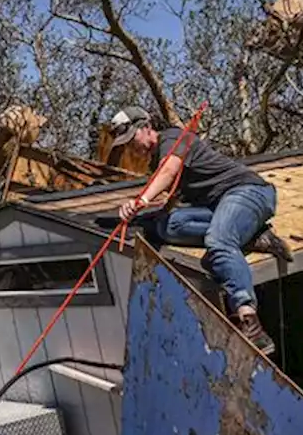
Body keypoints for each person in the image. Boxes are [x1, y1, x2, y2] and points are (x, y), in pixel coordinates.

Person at [108, 106, 291, 355]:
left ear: (146, 127)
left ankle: (249, 319)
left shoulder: (173, 138)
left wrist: (140, 200)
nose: (131, 147)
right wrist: (139, 219)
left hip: (248, 193)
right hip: (220, 207)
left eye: (132, 140)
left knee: (218, 239)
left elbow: (168, 171)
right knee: (167, 225)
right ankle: (251, 236)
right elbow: (170, 200)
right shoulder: (157, 161)